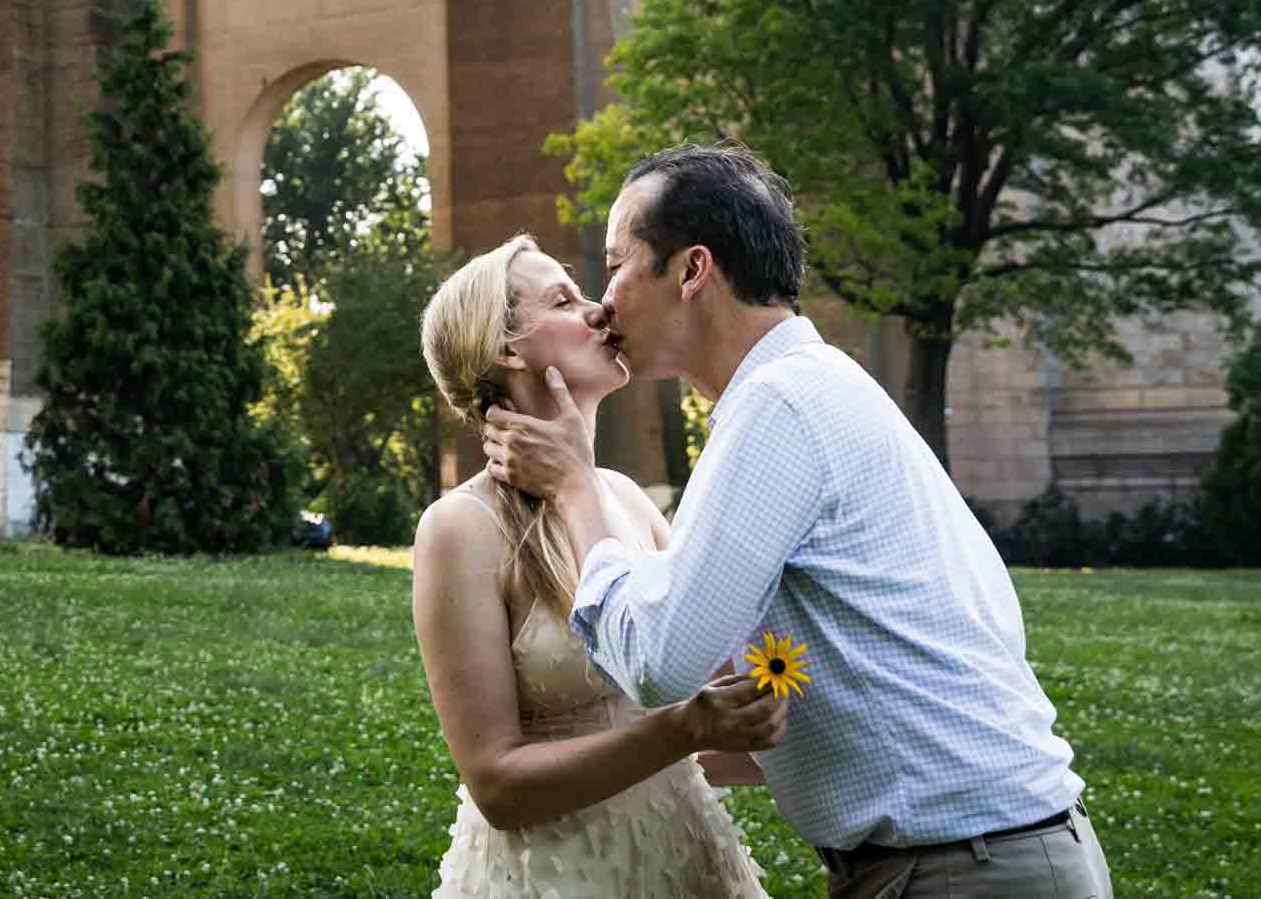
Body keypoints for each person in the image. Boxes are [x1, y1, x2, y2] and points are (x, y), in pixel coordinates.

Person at [484, 143, 1115, 899]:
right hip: (973, 859)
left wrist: (576, 489)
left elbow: (660, 661)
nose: (605, 300)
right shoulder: (804, 390)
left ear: (692, 270)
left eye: (617, 262)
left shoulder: (779, 408)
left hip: (965, 870)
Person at [412, 233, 777, 897]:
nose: (600, 309)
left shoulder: (629, 501)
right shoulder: (459, 529)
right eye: (564, 298)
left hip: (684, 858)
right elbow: (495, 783)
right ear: (507, 346)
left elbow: (722, 682)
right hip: (553, 876)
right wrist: (680, 729)